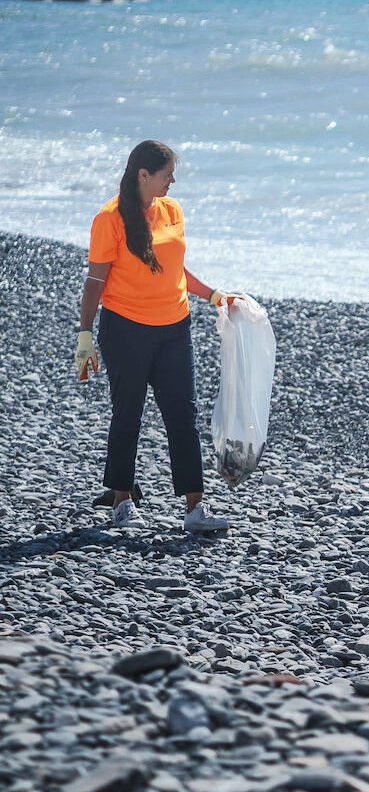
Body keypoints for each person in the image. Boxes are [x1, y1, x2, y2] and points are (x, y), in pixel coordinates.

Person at [75, 139, 234, 533]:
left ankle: (195, 508)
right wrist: (85, 333)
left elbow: (175, 267)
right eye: (167, 175)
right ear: (143, 175)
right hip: (126, 328)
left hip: (174, 328)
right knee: (128, 413)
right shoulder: (109, 218)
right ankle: (122, 501)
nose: (173, 181)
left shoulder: (172, 210)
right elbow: (95, 280)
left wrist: (213, 294)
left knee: (183, 415)